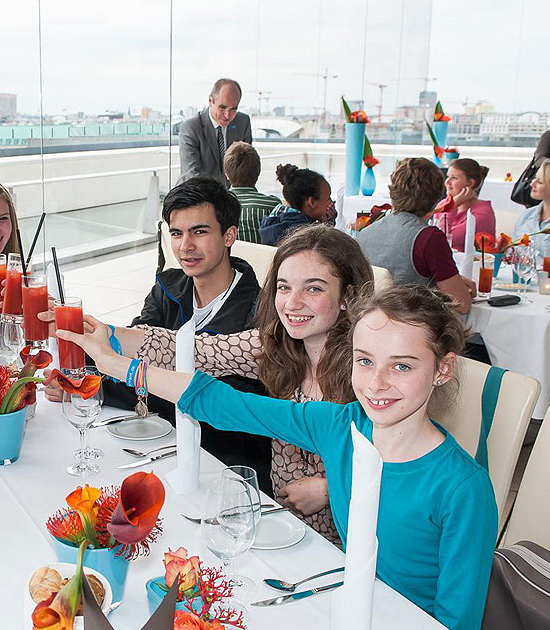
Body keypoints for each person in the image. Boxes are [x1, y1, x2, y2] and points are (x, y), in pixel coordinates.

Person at [59, 285, 497, 630]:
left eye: (402, 366)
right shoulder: (342, 426)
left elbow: (456, 620)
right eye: (365, 361)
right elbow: (222, 403)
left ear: (442, 369)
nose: (377, 383)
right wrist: (116, 365)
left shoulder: (463, 488)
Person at [96, 225, 373, 544]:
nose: (293, 303)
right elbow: (192, 349)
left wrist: (329, 488)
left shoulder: (370, 367)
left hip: (351, 546)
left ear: (347, 296)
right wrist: (108, 334)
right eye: (284, 287)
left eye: (313, 289)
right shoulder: (273, 347)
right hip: (282, 528)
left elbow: (402, 463)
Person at [48, 176, 269, 488]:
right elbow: (132, 366)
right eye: (176, 233)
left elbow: (227, 406)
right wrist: (86, 384)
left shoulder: (258, 311)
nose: (185, 246)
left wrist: (113, 382)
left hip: (228, 470)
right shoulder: (167, 289)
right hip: (161, 452)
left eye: (199, 232)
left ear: (229, 235)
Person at [358, 158, 474, 314]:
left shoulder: (365, 233)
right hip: (411, 327)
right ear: (435, 197)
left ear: (393, 191)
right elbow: (461, 304)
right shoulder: (429, 238)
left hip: (369, 325)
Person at [178, 78, 253, 185]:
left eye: (233, 109)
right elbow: (192, 176)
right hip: (196, 195)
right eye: (222, 107)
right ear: (210, 101)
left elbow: (245, 168)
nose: (227, 115)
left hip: (230, 196)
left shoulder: (243, 122)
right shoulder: (191, 128)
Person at [258, 164, 334, 246]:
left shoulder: (274, 220)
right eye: (328, 198)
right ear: (312, 202)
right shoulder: (306, 234)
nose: (331, 202)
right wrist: (327, 226)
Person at [433, 157, 495, 252]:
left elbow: (442, 242)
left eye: (454, 178)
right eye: (448, 177)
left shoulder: (483, 213)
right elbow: (432, 240)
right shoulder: (443, 203)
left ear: (470, 183)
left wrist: (452, 206)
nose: (447, 182)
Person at [223, 141, 281, 244]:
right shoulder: (273, 205)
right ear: (258, 171)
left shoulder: (217, 206)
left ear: (226, 174)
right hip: (262, 260)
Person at [512, 159, 550, 252]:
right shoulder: (526, 215)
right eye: (535, 178)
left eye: (540, 182)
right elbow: (513, 251)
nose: (532, 184)